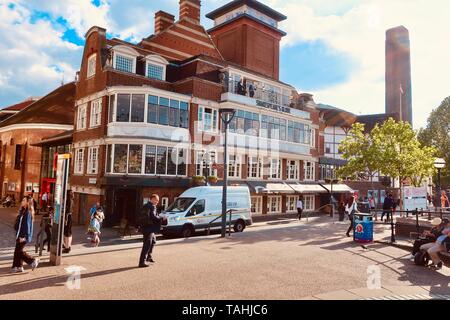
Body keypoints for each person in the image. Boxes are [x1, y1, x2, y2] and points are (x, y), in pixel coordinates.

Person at [11, 197, 39, 273]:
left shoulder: (27, 213)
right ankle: (18, 266)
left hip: (23, 235)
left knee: (19, 252)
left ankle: (33, 261)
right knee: (17, 251)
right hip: (19, 234)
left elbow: (27, 226)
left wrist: (24, 237)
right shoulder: (23, 210)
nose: (22, 201)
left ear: (27, 202)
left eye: (23, 200)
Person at [138, 194, 165, 268]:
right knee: (147, 244)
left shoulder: (146, 205)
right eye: (156, 200)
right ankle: (142, 262)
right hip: (148, 228)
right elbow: (153, 217)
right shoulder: (151, 206)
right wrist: (161, 218)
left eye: (158, 200)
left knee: (153, 241)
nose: (157, 202)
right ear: (152, 199)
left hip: (146, 227)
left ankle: (148, 257)